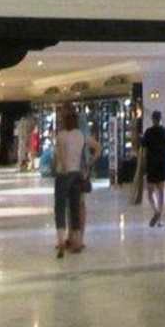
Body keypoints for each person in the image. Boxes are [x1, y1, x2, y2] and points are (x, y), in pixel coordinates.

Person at [53, 107, 98, 258]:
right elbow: (97, 148)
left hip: (63, 174)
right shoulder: (81, 135)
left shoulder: (61, 136)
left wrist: (62, 167)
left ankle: (61, 240)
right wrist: (89, 164)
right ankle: (77, 241)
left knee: (60, 208)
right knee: (75, 208)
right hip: (77, 174)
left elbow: (60, 156)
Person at [141, 111, 165, 228]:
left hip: (152, 164)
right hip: (164, 164)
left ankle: (156, 211)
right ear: (161, 119)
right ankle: (160, 219)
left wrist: (143, 167)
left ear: (153, 119)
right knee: (162, 192)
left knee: (150, 193)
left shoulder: (148, 132)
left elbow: (144, 151)